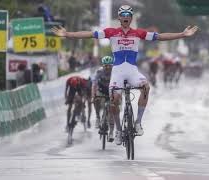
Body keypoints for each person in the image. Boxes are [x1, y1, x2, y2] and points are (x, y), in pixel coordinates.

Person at [52, 5, 198, 145]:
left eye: (128, 15)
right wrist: (67, 34)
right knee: (114, 100)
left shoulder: (138, 33)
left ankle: (138, 122)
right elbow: (89, 34)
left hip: (133, 71)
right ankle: (118, 130)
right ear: (119, 18)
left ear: (131, 18)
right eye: (123, 15)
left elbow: (160, 37)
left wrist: (182, 34)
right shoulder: (111, 32)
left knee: (146, 88)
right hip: (117, 72)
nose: (126, 17)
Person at [92, 56, 114, 141]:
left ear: (112, 65)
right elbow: (94, 84)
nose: (107, 67)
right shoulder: (99, 71)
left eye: (109, 65)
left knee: (113, 110)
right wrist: (93, 95)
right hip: (101, 90)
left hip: (112, 91)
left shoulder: (115, 72)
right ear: (103, 65)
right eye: (105, 65)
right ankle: (98, 117)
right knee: (96, 99)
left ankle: (111, 132)